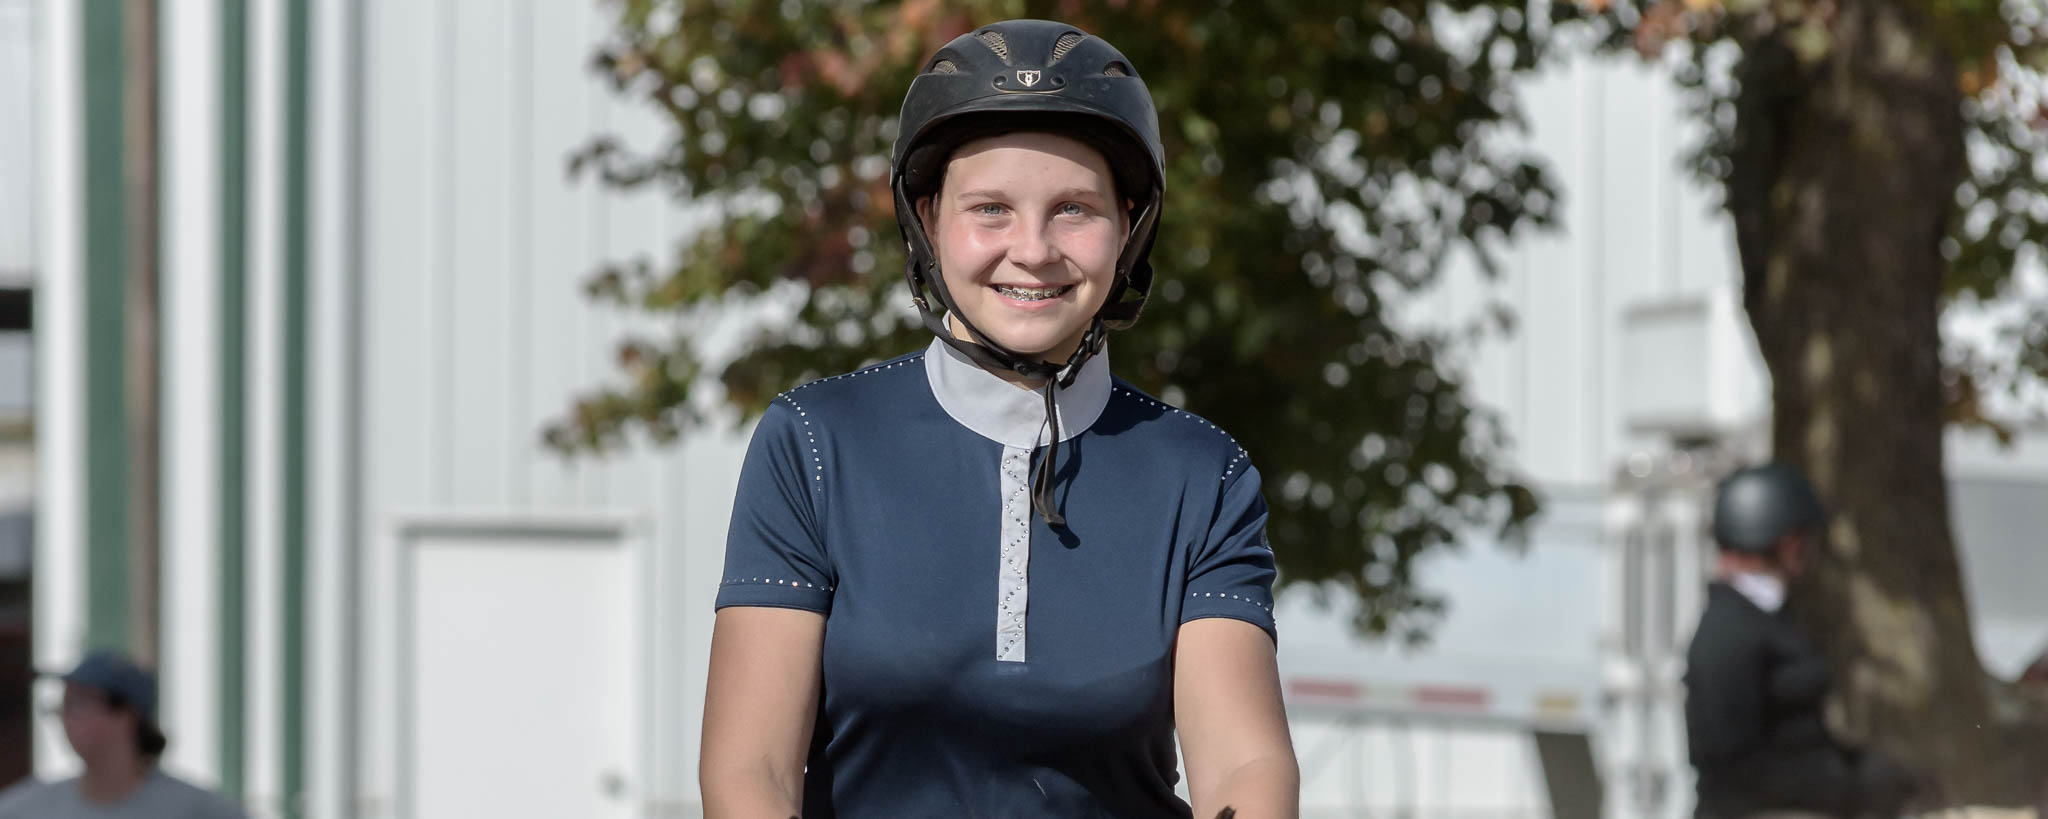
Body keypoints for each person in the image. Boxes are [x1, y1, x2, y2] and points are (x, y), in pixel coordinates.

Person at [698, 19, 1299, 818]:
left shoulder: (1202, 474)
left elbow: (1245, 770)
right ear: (929, 218)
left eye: (1074, 209)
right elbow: (751, 773)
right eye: (990, 209)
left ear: (1128, 224)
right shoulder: (812, 443)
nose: (1034, 248)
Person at [1684, 464, 1914, 818]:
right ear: (1784, 541)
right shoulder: (1728, 632)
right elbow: (1734, 762)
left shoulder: (1770, 616)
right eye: (1802, 540)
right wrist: (1843, 782)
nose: (1807, 551)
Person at [0, 650, 247, 819]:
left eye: (78, 703)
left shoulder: (198, 811)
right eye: (62, 705)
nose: (65, 717)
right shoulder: (23, 810)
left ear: (127, 716)